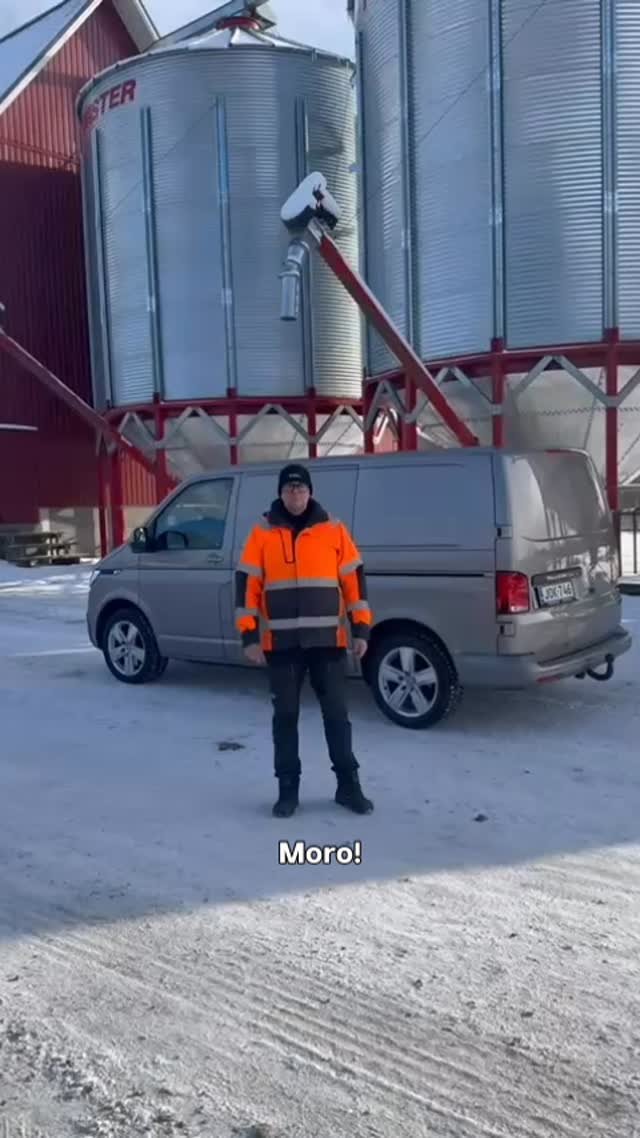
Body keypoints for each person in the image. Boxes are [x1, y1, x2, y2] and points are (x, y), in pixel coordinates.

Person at [234, 462, 374, 818]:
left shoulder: (334, 530)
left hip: (328, 642)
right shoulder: (262, 534)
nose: (295, 493)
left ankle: (349, 787)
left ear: (310, 492)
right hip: (281, 646)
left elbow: (354, 583)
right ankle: (287, 791)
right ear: (280, 493)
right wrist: (249, 635)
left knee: (337, 717)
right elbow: (247, 588)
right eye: (289, 488)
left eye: (300, 487)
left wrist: (360, 628)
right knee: (285, 718)